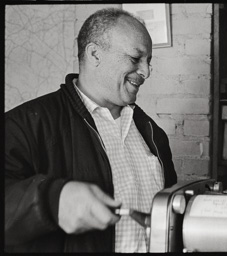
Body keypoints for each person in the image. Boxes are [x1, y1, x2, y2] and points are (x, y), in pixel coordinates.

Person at [5, 8, 177, 253]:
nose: (146, 72)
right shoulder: (25, 124)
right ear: (95, 54)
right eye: (135, 58)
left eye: (148, 61)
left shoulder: (153, 134)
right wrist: (51, 200)